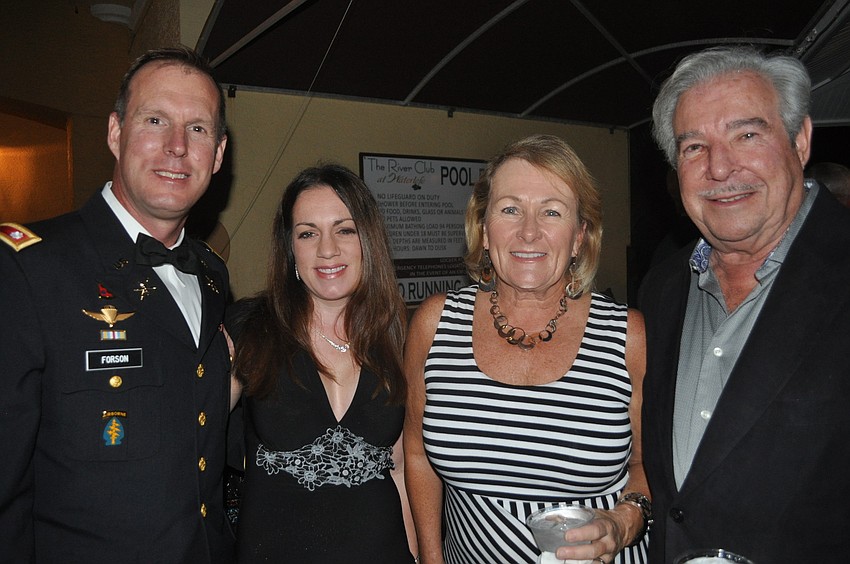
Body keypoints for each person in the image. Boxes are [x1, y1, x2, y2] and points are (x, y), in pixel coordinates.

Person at [0, 46, 235, 562]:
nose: (177, 147)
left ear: (217, 155)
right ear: (115, 132)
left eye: (197, 129)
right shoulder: (28, 268)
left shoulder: (212, 275)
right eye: (156, 120)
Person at [641, 46, 850, 562]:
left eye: (747, 134)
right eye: (694, 147)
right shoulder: (661, 289)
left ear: (799, 140)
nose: (719, 167)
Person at [404, 134, 651, 564]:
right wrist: (430, 556)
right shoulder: (435, 323)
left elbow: (650, 469)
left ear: (579, 237)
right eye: (510, 209)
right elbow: (416, 452)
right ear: (483, 230)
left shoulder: (627, 336)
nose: (529, 231)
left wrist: (623, 523)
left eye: (552, 211)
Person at [228, 164, 416, 563]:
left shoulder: (397, 332)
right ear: (291, 249)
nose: (327, 249)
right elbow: (187, 435)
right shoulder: (250, 328)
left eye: (344, 229)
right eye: (307, 233)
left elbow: (398, 470)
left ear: (368, 241)